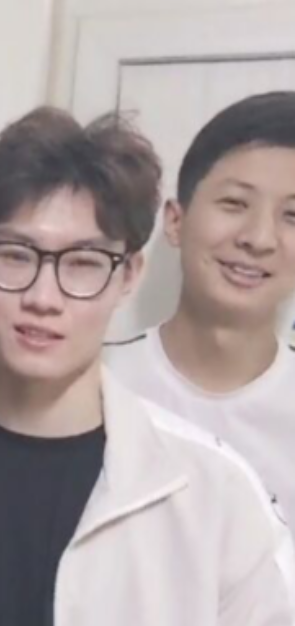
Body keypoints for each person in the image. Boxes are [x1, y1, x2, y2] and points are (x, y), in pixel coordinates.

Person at [0, 106, 295, 626]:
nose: (44, 297)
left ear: (129, 275)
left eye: (84, 264)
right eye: (16, 255)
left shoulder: (216, 493)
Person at [106, 91, 295, 539]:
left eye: (292, 215)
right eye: (235, 204)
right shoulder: (94, 383)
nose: (259, 238)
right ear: (175, 221)